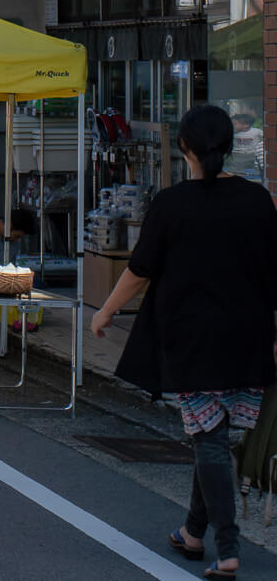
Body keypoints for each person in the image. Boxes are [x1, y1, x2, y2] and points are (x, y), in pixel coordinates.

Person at [94, 106, 277, 579]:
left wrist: (106, 311)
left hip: (190, 339)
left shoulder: (173, 204)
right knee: (212, 436)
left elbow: (139, 271)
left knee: (209, 439)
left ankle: (229, 547)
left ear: (184, 149)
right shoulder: (258, 200)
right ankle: (193, 533)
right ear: (230, 147)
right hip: (249, 337)